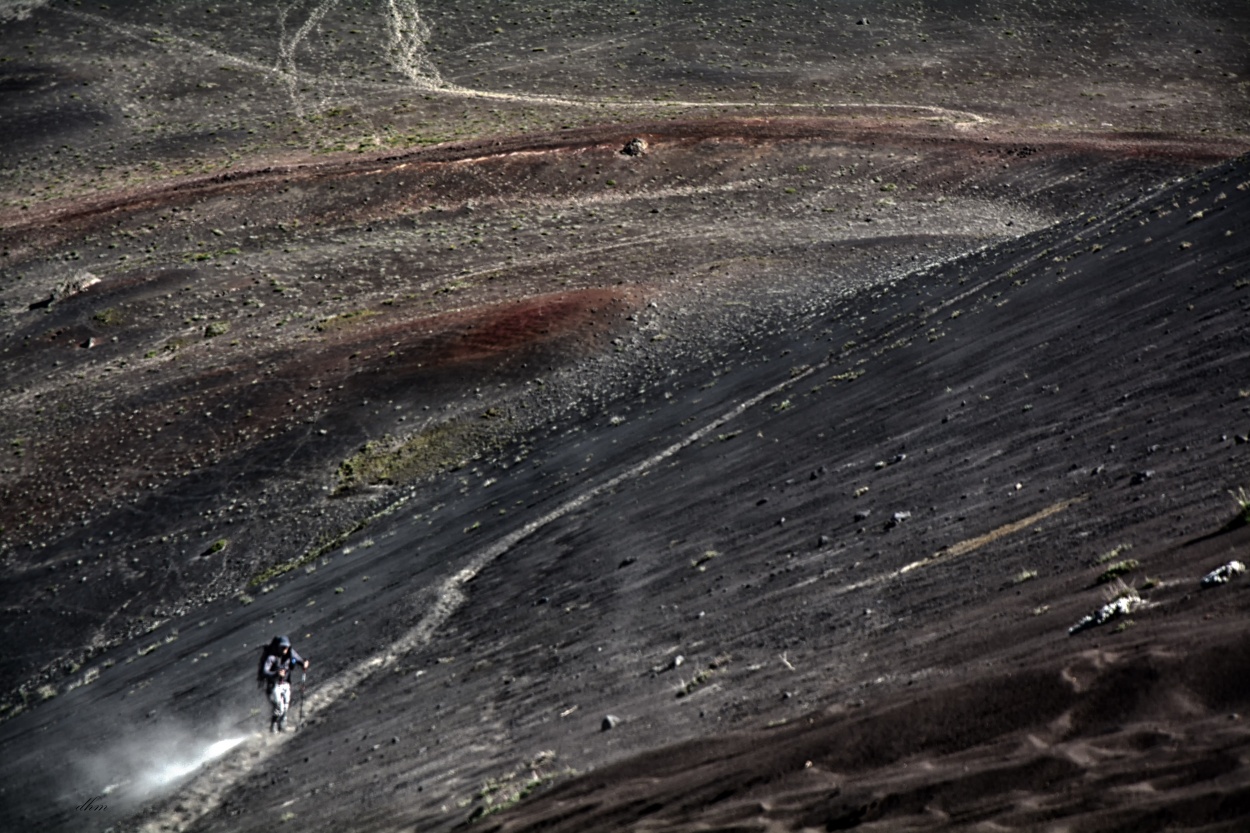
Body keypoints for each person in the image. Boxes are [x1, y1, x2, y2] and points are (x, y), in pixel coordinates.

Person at [257, 635, 309, 733]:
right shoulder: (271, 657)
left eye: (286, 647)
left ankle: (282, 725)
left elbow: (299, 660)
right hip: (274, 685)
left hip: (286, 683)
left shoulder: (290, 653)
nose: (284, 649)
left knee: (285, 705)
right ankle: (274, 725)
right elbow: (265, 671)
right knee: (279, 706)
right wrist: (276, 674)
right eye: (282, 647)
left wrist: (304, 663)